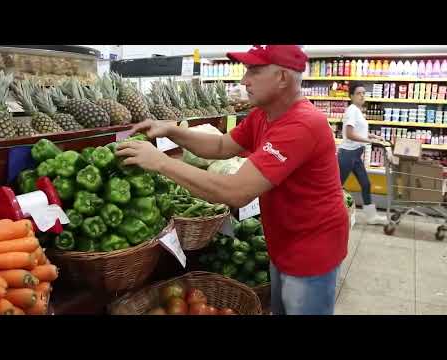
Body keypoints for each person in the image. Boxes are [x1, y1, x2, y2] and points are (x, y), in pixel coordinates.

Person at [116, 45, 349, 315]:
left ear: (283, 77)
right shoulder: (264, 114)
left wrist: (160, 162)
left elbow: (236, 192)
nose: (243, 80)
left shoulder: (302, 124)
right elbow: (220, 146)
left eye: (254, 70)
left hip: (312, 248)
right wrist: (172, 130)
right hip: (285, 240)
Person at [337, 82, 387, 225]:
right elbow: (349, 134)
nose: (362, 96)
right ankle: (322, 214)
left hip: (355, 155)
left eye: (363, 93)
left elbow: (359, 131)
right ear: (351, 96)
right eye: (358, 93)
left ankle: (371, 217)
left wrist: (373, 136)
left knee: (365, 184)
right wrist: (367, 140)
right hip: (347, 155)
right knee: (335, 187)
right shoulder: (352, 110)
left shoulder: (357, 111)